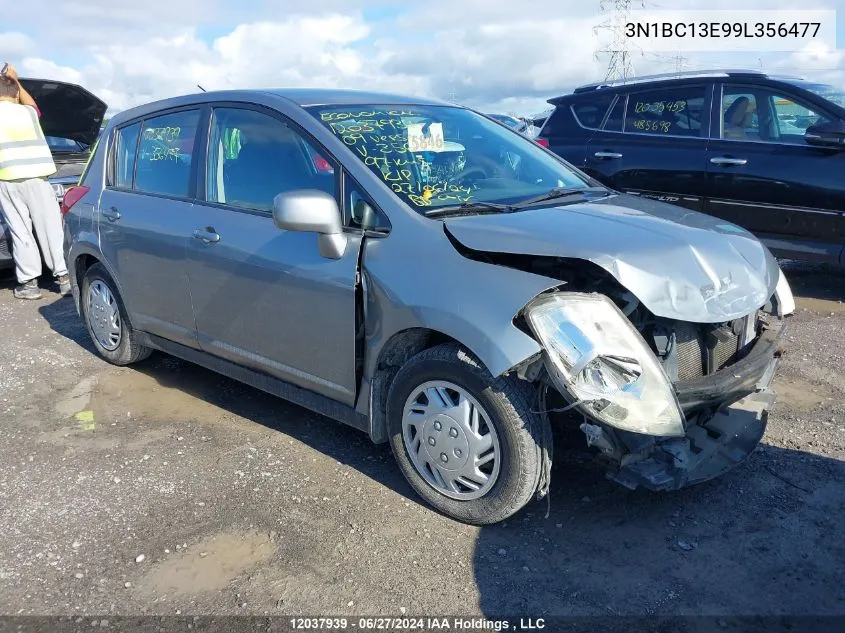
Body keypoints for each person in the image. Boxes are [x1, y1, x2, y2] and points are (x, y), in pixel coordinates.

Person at [0, 62, 70, 300]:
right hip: (39, 179)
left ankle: (29, 285)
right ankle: (64, 278)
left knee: (20, 231)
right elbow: (30, 103)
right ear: (17, 93)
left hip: (8, 180)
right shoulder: (29, 113)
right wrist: (15, 80)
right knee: (51, 227)